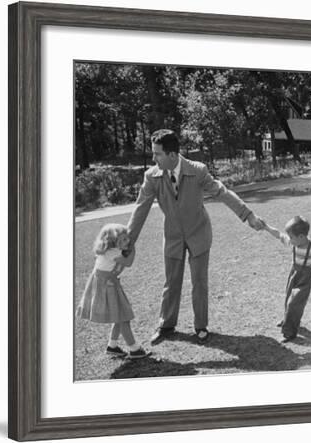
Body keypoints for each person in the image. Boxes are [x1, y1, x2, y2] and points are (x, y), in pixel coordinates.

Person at [125, 129, 264, 345]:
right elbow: (140, 209)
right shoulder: (151, 176)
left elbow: (222, 192)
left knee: (199, 282)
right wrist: (127, 241)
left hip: (199, 234)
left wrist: (248, 215)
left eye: (157, 154)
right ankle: (166, 325)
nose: (153, 159)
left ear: (172, 155)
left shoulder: (197, 170)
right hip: (172, 237)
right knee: (171, 282)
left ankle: (201, 326)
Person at [76, 223, 150, 359]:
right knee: (123, 317)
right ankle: (134, 349)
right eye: (122, 240)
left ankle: (113, 346)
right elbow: (128, 263)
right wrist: (133, 248)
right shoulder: (112, 252)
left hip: (109, 283)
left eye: (127, 238)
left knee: (119, 315)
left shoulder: (110, 250)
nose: (127, 241)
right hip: (107, 285)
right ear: (111, 242)